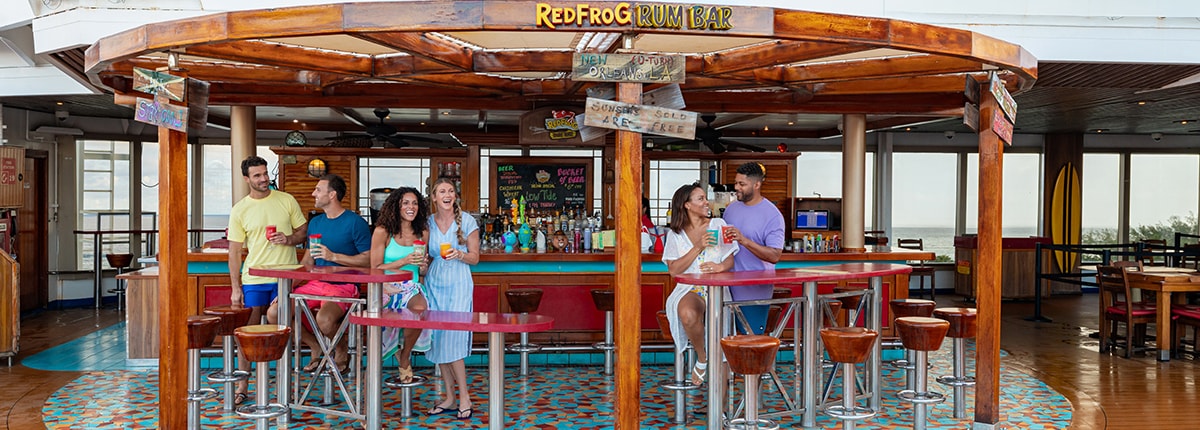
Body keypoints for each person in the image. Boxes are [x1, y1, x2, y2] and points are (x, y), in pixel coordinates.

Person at [265, 174, 371, 374]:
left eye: (318, 190)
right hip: (315, 284)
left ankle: (340, 349)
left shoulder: (355, 222)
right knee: (275, 312)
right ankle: (315, 345)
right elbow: (307, 261)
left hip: (344, 285)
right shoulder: (315, 223)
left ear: (332, 195)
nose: (313, 193)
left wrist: (334, 256)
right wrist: (288, 288)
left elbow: (369, 258)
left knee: (324, 320)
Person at [227, 155, 307, 404]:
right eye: (258, 175)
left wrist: (289, 239)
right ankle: (243, 385)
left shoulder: (286, 200)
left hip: (286, 277)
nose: (264, 179)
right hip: (254, 278)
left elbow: (302, 231)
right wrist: (235, 288)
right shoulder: (240, 209)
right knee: (248, 333)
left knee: (282, 328)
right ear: (247, 179)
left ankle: (283, 385)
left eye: (265, 173)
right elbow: (234, 251)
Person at [662, 183, 738, 385]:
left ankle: (719, 412)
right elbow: (674, 270)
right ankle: (702, 357)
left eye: (706, 198)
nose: (707, 202)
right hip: (690, 288)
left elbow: (730, 260)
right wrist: (698, 246)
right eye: (701, 199)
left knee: (721, 346)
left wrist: (720, 267)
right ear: (686, 205)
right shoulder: (675, 235)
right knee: (687, 313)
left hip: (717, 288)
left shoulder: (720, 224)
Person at [424, 177, 480, 420]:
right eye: (441, 191)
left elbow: (476, 258)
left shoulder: (467, 221)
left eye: (451, 191)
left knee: (454, 339)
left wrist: (460, 254)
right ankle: (449, 397)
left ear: (455, 196)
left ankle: (465, 396)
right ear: (434, 197)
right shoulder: (427, 222)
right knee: (438, 339)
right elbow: (425, 256)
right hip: (434, 282)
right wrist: (421, 265)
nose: (447, 194)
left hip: (458, 282)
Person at [370, 186, 431, 384]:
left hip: (411, 286)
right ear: (396, 206)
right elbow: (375, 267)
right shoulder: (382, 232)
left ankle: (404, 356)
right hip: (385, 286)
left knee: (421, 310)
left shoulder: (422, 233)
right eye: (405, 203)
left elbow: (422, 272)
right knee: (381, 322)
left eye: (414, 203)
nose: (410, 207)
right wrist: (404, 261)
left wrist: (423, 266)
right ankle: (374, 370)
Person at [721, 162, 785, 335]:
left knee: (750, 339)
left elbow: (774, 255)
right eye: (736, 183)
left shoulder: (772, 215)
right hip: (726, 286)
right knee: (725, 340)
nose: (736, 188)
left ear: (757, 185)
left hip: (754, 287)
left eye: (742, 184)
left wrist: (744, 240)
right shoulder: (731, 209)